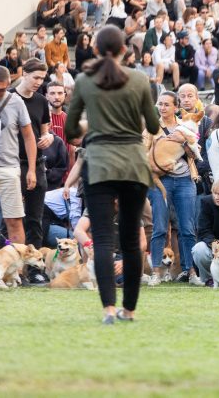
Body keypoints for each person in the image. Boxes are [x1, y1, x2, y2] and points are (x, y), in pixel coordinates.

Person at [65, 25, 159, 323]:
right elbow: (154, 126)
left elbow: (69, 130)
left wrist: (89, 127)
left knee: (103, 240)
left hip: (100, 163)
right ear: (124, 50)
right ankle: (129, 310)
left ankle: (108, 309)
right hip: (133, 163)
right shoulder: (140, 79)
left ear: (94, 49)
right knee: (132, 239)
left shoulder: (84, 80)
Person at [145, 91, 201, 286]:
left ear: (176, 107)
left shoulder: (186, 124)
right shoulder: (151, 127)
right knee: (159, 227)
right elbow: (142, 153)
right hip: (161, 180)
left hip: (185, 179)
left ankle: (191, 271)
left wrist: (184, 143)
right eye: (160, 104)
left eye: (167, 104)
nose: (162, 108)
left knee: (187, 228)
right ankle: (156, 272)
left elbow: (195, 153)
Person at [10, 58, 51, 284]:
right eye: (35, 77)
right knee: (8, 219)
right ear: (23, 73)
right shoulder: (7, 97)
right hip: (11, 163)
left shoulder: (41, 101)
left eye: (42, 79)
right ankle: (8, 267)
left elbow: (45, 131)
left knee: (35, 219)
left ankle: (35, 269)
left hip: (36, 163)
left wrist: (48, 137)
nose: (38, 82)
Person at [0, 65, 36, 252]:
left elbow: (29, 136)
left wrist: (32, 169)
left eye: (1, 89)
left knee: (14, 220)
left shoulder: (16, 101)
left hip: (9, 168)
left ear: (9, 84)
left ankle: (17, 274)